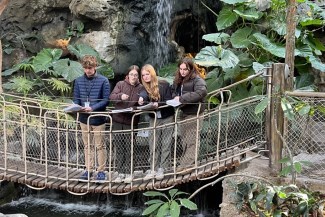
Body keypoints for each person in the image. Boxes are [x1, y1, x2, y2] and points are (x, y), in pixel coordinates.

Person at [73, 55, 110, 181]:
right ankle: (88, 170)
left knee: (100, 145)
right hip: (84, 119)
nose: (88, 70)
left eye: (90, 67)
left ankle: (101, 171)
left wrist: (93, 108)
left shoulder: (104, 80)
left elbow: (106, 100)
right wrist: (77, 107)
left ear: (95, 67)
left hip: (98, 119)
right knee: (87, 145)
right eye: (86, 68)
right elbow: (76, 99)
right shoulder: (78, 81)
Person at [138, 64, 175, 181]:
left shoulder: (164, 84)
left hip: (167, 116)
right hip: (154, 118)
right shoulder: (144, 87)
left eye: (147, 74)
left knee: (166, 142)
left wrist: (158, 105)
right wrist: (142, 100)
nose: (145, 77)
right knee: (153, 143)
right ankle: (153, 168)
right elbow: (143, 94)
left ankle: (163, 168)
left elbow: (169, 100)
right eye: (143, 75)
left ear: (152, 73)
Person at [171, 57, 207, 174]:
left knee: (192, 139)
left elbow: (201, 92)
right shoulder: (178, 80)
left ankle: (186, 166)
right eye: (180, 69)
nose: (182, 72)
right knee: (185, 139)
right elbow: (173, 92)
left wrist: (182, 98)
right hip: (184, 112)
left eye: (185, 69)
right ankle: (186, 164)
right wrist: (175, 98)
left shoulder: (197, 79)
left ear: (190, 69)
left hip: (194, 113)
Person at [109, 65, 144, 183]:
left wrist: (140, 103)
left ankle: (129, 172)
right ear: (128, 75)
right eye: (131, 74)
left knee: (130, 147)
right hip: (118, 120)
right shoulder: (120, 84)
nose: (133, 77)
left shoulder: (141, 88)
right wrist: (121, 96)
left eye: (135, 75)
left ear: (138, 76)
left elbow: (144, 101)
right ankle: (120, 172)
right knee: (119, 146)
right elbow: (112, 97)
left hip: (131, 121)